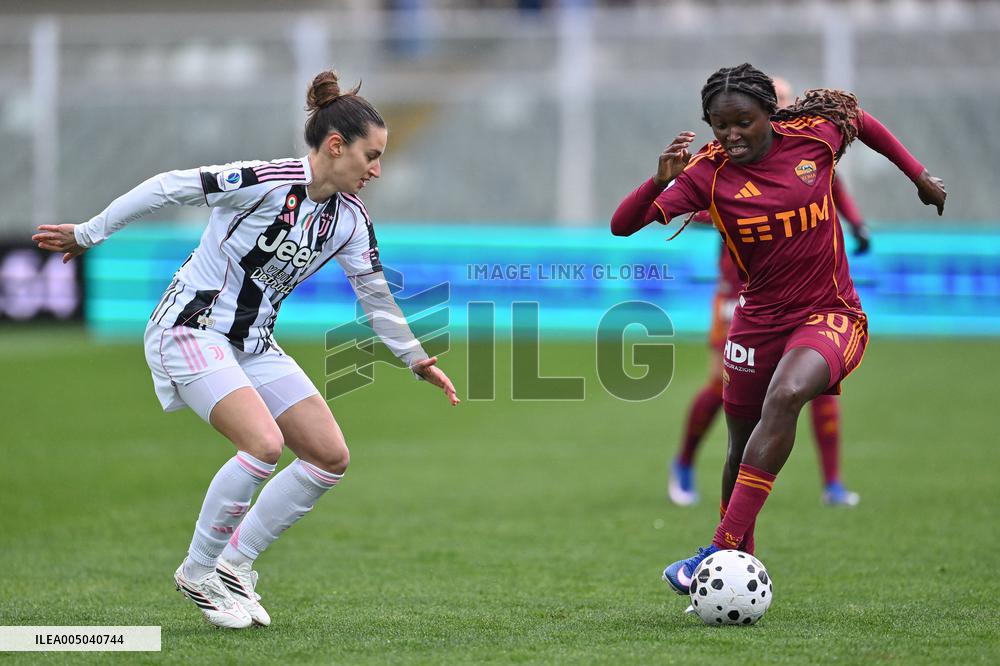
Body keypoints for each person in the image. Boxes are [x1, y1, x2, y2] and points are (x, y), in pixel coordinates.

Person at [33, 70, 460, 629]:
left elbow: (375, 294)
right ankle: (198, 571)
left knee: (329, 457)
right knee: (263, 444)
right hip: (190, 328)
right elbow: (167, 185)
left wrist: (414, 357)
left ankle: (235, 565)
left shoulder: (350, 221)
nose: (377, 170)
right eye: (371, 156)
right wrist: (90, 232)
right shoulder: (263, 180)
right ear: (336, 146)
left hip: (253, 344)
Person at [610, 63, 945, 596]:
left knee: (787, 394)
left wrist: (919, 176)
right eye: (721, 125)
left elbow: (861, 120)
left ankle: (717, 550)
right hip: (756, 322)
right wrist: (659, 180)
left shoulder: (814, 138)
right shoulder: (707, 172)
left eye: (743, 121)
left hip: (831, 312)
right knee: (739, 447)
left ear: (770, 113)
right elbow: (622, 225)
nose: (732, 134)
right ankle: (735, 568)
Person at [668, 76, 866, 509]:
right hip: (739, 295)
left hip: (803, 298)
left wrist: (856, 224)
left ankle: (832, 482)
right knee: (722, 387)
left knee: (815, 382)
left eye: (787, 101)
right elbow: (695, 204)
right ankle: (683, 463)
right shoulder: (724, 164)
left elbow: (835, 188)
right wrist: (723, 210)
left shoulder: (803, 151)